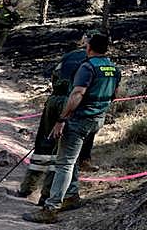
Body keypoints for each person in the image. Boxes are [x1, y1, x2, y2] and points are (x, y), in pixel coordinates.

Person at [24, 32, 121, 224]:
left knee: (64, 164)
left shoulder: (88, 67)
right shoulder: (114, 68)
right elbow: (114, 95)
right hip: (97, 119)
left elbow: (77, 94)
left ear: (89, 47)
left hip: (79, 120)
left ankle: (51, 208)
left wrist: (61, 119)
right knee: (74, 158)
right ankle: (71, 196)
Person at [16, 29, 95, 200]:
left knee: (43, 144)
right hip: (70, 104)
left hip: (53, 101)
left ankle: (27, 188)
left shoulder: (69, 56)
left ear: (84, 41)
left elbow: (55, 76)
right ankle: (46, 195)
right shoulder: (93, 62)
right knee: (60, 151)